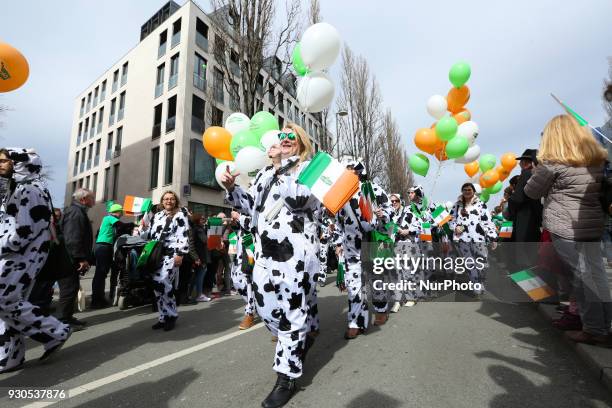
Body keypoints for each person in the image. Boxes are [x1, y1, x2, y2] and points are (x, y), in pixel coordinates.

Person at [221, 123, 320, 408]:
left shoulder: (308, 169)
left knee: (291, 315)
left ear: (300, 143)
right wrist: (233, 189)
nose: (284, 140)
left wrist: (285, 164)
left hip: (295, 258)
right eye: (281, 137)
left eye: (291, 137)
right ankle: (296, 342)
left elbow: (300, 199)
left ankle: (286, 377)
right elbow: (251, 207)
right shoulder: (265, 173)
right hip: (264, 255)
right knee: (265, 311)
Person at [525, 114, 612, 346]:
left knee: (582, 279)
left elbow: (531, 192)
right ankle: (605, 325)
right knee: (597, 274)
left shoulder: (553, 162)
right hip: (592, 224)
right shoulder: (596, 159)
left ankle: (594, 329)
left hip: (565, 226)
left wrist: (537, 171)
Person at [0, 148, 71, 373]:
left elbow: (24, 231)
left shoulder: (28, 189)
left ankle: (56, 331)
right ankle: (11, 355)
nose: (0, 164)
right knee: (8, 302)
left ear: (19, 163)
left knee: (4, 300)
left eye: (4, 161)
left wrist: (2, 244)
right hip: (17, 255)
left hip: (23, 256)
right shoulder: (18, 188)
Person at [334, 158, 393, 339]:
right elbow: (337, 222)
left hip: (372, 241)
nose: (349, 172)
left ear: (358, 171)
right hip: (350, 245)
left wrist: (383, 214)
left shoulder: (372, 189)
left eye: (352, 168)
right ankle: (356, 322)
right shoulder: (340, 193)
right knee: (354, 285)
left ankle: (381, 309)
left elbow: (389, 210)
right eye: (346, 169)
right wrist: (337, 243)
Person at [141, 190, 189, 331]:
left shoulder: (181, 215)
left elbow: (183, 235)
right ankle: (162, 317)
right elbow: (150, 233)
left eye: (172, 199)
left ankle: (171, 315)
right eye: (166, 199)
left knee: (164, 282)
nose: (169, 201)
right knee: (157, 286)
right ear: (162, 202)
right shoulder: (157, 216)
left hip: (172, 254)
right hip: (157, 254)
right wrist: (141, 230)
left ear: (176, 201)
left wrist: (180, 254)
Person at [449, 183, 498, 295]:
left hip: (478, 238)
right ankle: (476, 284)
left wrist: (493, 237)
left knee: (483, 262)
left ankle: (481, 280)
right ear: (462, 191)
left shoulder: (481, 205)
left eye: (469, 189)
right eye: (465, 190)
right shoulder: (457, 205)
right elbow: (450, 220)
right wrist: (455, 227)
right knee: (469, 263)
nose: (467, 191)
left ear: (474, 191)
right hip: (462, 239)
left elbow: (488, 222)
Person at [59, 188, 95, 327]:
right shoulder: (76, 212)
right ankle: (63, 321)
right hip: (69, 259)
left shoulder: (77, 211)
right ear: (83, 199)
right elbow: (72, 238)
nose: (93, 200)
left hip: (69, 258)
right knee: (69, 289)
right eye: (91, 197)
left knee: (72, 288)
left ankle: (67, 317)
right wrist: (80, 258)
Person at [506, 149, 543, 269]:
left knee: (524, 254)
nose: (519, 164)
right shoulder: (537, 174)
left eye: (521, 162)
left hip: (524, 217)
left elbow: (518, 199)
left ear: (525, 162)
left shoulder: (526, 174)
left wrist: (510, 203)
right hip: (535, 216)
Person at [92, 203, 132, 308]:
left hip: (104, 246)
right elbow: (121, 225)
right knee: (100, 274)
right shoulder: (109, 218)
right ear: (117, 212)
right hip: (103, 246)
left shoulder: (109, 220)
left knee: (102, 274)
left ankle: (100, 298)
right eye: (121, 212)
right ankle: (96, 300)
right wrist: (133, 224)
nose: (122, 214)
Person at [191, 213, 210, 302]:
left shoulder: (197, 228)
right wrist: (196, 258)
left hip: (199, 256)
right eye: (202, 219)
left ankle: (194, 294)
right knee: (200, 275)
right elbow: (205, 241)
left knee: (197, 275)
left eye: (204, 218)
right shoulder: (198, 229)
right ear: (197, 220)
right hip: (200, 256)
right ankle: (199, 294)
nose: (204, 220)